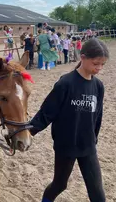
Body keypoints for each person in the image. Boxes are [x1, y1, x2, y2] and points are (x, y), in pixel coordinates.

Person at [30, 38, 109, 202]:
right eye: (96, 63)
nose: (99, 68)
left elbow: (97, 117)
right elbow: (46, 113)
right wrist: (28, 130)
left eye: (102, 64)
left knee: (98, 193)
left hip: (87, 146)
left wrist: (93, 138)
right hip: (66, 145)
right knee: (59, 185)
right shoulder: (65, 83)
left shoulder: (98, 86)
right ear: (83, 57)